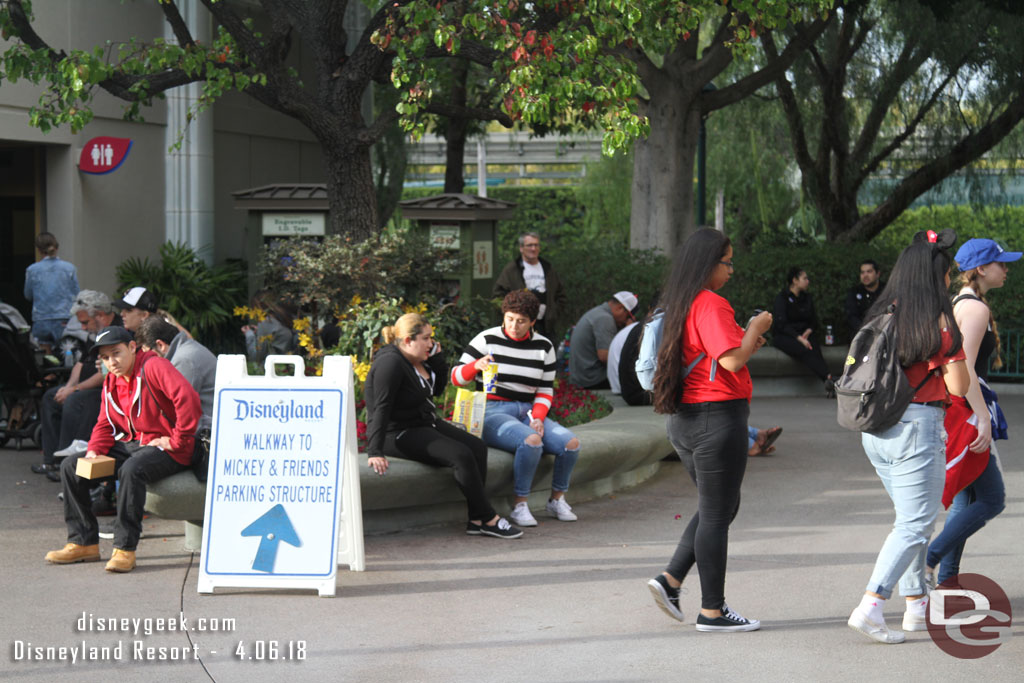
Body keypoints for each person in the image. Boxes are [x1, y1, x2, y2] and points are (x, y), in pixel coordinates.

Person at [645, 228, 773, 633]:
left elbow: (720, 356)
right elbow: (733, 362)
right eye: (727, 261)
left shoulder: (678, 303)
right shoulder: (711, 303)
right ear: (708, 264)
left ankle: (670, 579)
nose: (731, 270)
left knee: (720, 506)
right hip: (716, 417)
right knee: (718, 512)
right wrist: (756, 325)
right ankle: (712, 612)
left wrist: (748, 340)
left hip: (685, 418)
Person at [847, 230, 969, 645]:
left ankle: (916, 605)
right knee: (916, 523)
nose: (951, 280)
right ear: (937, 277)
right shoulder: (938, 321)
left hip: (877, 430)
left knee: (910, 523)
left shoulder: (885, 312)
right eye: (949, 273)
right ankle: (871, 605)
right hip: (917, 428)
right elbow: (959, 386)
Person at [44, 326, 202, 573]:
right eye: (105, 357)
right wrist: (94, 450)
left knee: (131, 470)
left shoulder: (153, 366)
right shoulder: (111, 380)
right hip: (135, 445)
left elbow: (188, 399)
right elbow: (105, 421)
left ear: (132, 347)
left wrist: (177, 440)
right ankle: (83, 542)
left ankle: (125, 549)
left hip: (172, 448)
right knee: (71, 467)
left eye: (116, 353)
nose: (111, 362)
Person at [364, 313, 522, 539]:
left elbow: (434, 391)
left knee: (477, 447)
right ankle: (488, 518)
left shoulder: (414, 359)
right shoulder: (390, 363)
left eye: (432, 338)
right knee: (461, 455)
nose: (431, 344)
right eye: (426, 339)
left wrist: (436, 360)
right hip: (398, 433)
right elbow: (381, 407)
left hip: (424, 423)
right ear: (409, 340)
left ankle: (477, 519)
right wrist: (375, 451)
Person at [924, 238, 1019, 590]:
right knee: (992, 499)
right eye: (1001, 264)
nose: (1006, 270)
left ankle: (945, 580)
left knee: (967, 498)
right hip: (966, 412)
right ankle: (929, 562)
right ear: (981, 269)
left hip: (957, 410)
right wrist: (982, 418)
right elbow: (963, 369)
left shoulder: (960, 302)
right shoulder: (975, 309)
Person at [452, 291, 581, 527]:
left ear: (532, 322)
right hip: (492, 410)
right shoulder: (486, 339)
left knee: (570, 444)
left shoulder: (544, 346)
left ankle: (556, 499)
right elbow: (456, 378)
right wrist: (475, 366)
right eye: (510, 318)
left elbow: (544, 390)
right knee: (531, 441)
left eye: (521, 321)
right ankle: (520, 504)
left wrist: (539, 417)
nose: (514, 325)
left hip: (527, 410)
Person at [32, 291, 122, 479]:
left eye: (85, 322)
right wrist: (68, 386)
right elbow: (81, 364)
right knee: (51, 396)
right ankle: (50, 460)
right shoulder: (93, 331)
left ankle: (66, 464)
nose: (82, 327)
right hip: (86, 385)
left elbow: (104, 373)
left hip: (106, 388)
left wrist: (74, 390)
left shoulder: (116, 331)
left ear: (100, 315)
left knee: (74, 400)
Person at [135, 316, 216, 430]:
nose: (147, 360)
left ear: (160, 345)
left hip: (205, 431)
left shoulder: (183, 361)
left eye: (149, 354)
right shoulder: (186, 348)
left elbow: (181, 410)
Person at [772, 267, 836, 397]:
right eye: (804, 278)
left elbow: (813, 320)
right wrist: (799, 338)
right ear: (795, 280)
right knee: (804, 349)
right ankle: (828, 377)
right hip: (786, 336)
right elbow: (781, 324)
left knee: (815, 347)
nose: (807, 281)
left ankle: (828, 381)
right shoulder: (782, 298)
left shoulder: (806, 298)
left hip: (804, 334)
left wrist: (808, 330)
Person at [492, 232, 568, 339]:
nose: (533, 248)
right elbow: (498, 296)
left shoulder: (548, 269)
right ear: (521, 248)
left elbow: (561, 295)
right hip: (520, 326)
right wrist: (513, 315)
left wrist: (553, 313)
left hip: (545, 325)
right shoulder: (512, 270)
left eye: (536, 245)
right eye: (530, 245)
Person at [569, 291, 638, 389]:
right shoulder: (605, 319)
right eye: (628, 317)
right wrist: (628, 332)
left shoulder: (598, 312)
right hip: (592, 379)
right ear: (620, 308)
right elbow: (605, 356)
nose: (625, 321)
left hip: (583, 376)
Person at [23, 232, 79, 347]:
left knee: (43, 357)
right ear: (56, 248)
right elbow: (76, 294)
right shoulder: (69, 268)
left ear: (38, 250)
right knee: (66, 353)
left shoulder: (32, 270)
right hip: (64, 317)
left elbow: (28, 295)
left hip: (41, 319)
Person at [241, 290, 298, 364]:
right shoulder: (287, 318)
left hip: (275, 368)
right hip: (290, 365)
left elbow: (256, 355)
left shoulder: (267, 322)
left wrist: (249, 334)